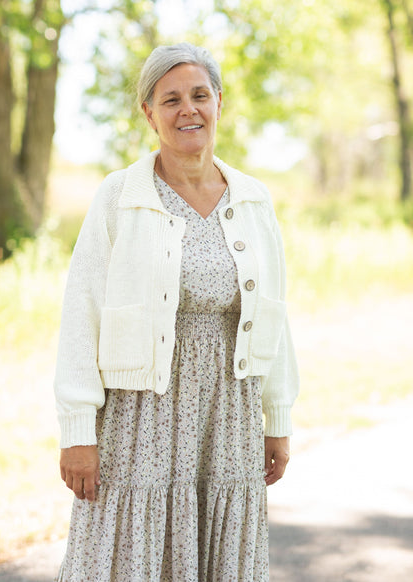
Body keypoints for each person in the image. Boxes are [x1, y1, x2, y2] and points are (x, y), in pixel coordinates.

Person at [54, 42, 299, 581]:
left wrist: (277, 420)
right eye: (170, 99)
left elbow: (274, 316)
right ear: (149, 113)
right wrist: (77, 430)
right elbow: (82, 311)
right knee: (125, 556)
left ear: (219, 103)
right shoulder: (120, 196)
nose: (188, 109)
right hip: (139, 416)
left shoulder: (253, 199)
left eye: (199, 95)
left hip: (227, 414)